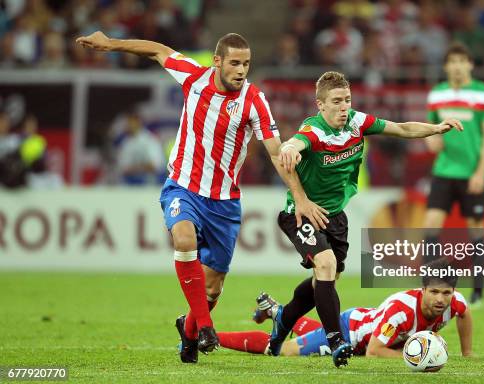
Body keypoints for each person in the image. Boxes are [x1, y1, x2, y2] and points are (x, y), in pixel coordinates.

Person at [76, 31, 326, 364]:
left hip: (224, 203)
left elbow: (276, 153)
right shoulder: (193, 77)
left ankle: (190, 329)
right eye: (235, 63)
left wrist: (300, 197)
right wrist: (110, 44)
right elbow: (158, 50)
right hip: (183, 187)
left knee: (212, 290)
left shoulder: (254, 100)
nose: (241, 70)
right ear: (218, 61)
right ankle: (206, 327)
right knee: (183, 238)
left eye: (247, 64)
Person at [271, 71, 463, 367]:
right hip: (301, 214)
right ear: (320, 105)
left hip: (335, 216)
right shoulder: (313, 131)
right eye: (336, 101)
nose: (344, 106)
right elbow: (291, 147)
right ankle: (336, 340)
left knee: (323, 281)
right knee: (326, 265)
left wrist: (436, 128)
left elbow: (401, 128)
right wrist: (290, 159)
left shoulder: (357, 122)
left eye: (347, 99)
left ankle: (283, 319)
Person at [217, 261, 472, 358]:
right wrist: (416, 358)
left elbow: (465, 314)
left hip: (366, 322)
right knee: (282, 350)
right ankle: (212, 336)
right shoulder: (401, 312)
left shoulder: (454, 302)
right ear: (422, 289)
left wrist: (467, 352)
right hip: (350, 332)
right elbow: (374, 351)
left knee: (310, 333)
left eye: (446, 293)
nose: (440, 299)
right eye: (434, 292)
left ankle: (275, 311)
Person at [423, 42, 484, 306]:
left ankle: (478, 293)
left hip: (474, 174)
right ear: (445, 66)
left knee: (476, 230)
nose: (456, 66)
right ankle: (429, 288)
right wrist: (430, 140)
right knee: (430, 227)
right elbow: (431, 129)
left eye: (461, 61)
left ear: (470, 64)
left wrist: (480, 172)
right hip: (444, 171)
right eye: (452, 61)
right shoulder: (437, 94)